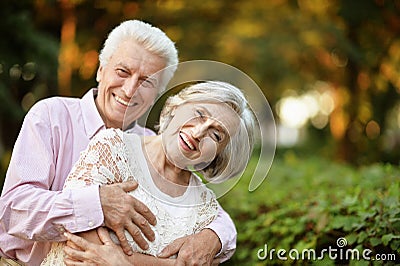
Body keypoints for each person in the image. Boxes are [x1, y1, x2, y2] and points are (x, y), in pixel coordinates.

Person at [0, 20, 236, 265]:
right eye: (123, 72)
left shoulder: (152, 145)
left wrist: (213, 236)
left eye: (147, 82)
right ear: (101, 70)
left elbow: (211, 213)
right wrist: (97, 203)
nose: (130, 89)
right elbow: (13, 211)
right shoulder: (51, 116)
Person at [40, 81, 255, 265]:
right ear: (177, 106)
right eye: (199, 114)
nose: (198, 133)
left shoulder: (203, 206)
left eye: (216, 135)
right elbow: (82, 247)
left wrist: (123, 262)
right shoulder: (113, 148)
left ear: (219, 154)